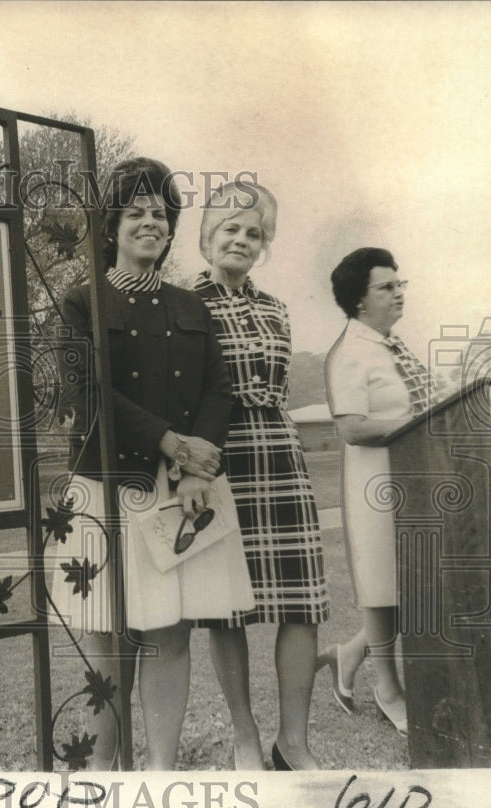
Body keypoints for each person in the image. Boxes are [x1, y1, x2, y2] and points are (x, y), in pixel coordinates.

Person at [52, 158, 254, 770]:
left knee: (170, 632)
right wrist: (171, 443)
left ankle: (161, 778)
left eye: (160, 214)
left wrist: (197, 470)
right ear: (112, 224)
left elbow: (220, 390)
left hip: (183, 492)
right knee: (109, 639)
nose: (150, 223)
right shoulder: (80, 300)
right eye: (135, 212)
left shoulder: (190, 305)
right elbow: (86, 391)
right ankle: (100, 776)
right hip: (108, 489)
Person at [192, 181, 329, 771]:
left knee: (303, 603)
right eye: (230, 229)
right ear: (206, 238)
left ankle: (291, 742)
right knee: (228, 607)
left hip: (279, 451)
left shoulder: (276, 307)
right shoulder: (183, 305)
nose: (242, 240)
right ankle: (246, 739)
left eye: (254, 233)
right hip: (221, 456)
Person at [319, 247, 432, 738]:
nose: (399, 292)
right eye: (387, 287)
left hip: (414, 480)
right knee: (386, 590)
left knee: (415, 593)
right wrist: (414, 421)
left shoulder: (393, 345)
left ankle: (349, 654)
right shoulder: (352, 353)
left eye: (399, 283)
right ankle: (388, 690)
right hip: (375, 484)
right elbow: (351, 427)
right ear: (360, 301)